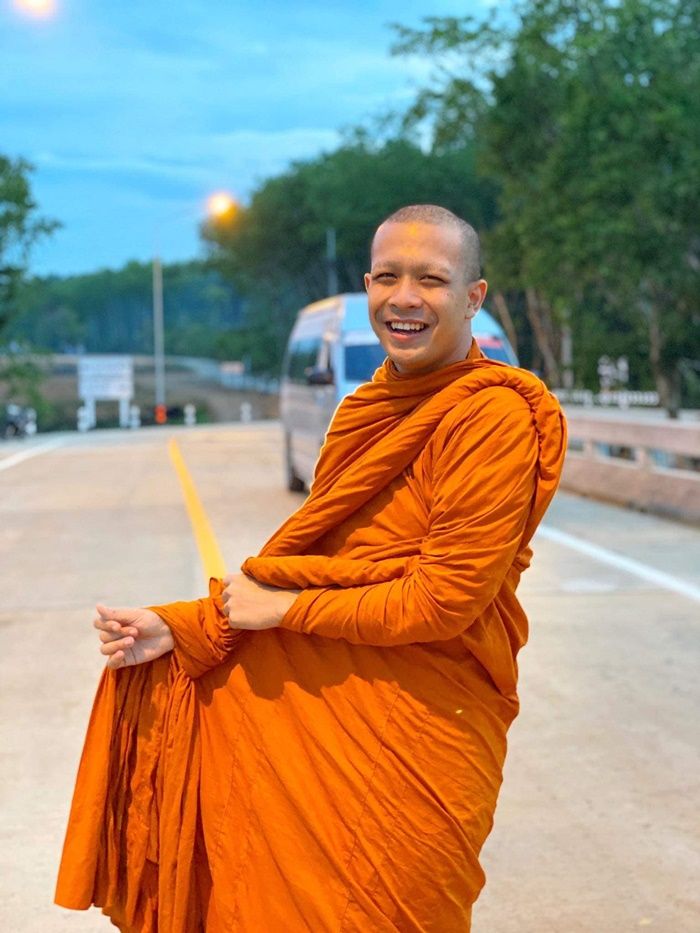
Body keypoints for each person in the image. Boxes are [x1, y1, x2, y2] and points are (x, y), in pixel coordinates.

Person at [56, 205, 566, 932]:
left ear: (473, 297)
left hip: (428, 724)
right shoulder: (363, 411)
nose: (406, 298)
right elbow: (323, 565)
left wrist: (285, 610)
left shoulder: (493, 419)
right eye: (387, 277)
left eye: (431, 279)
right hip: (329, 714)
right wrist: (187, 625)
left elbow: (443, 600)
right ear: (367, 287)